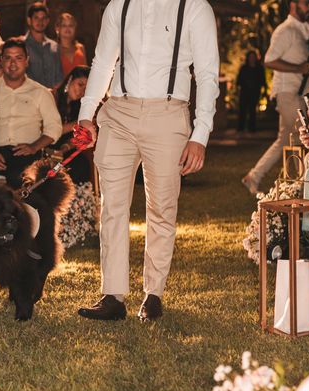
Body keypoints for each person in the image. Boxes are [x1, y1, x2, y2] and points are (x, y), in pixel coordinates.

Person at [77, 0, 219, 321]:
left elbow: (208, 75)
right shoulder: (120, 5)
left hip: (168, 114)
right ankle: (113, 295)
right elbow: (103, 61)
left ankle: (153, 293)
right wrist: (87, 114)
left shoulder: (195, 7)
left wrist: (200, 135)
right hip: (118, 112)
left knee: (162, 208)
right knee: (111, 206)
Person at [241, 0, 309, 194]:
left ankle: (254, 177)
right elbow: (269, 60)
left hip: (303, 94)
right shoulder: (285, 30)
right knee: (306, 137)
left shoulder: (306, 30)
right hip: (288, 93)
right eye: (307, 3)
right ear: (293, 4)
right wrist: (299, 69)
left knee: (285, 140)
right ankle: (298, 187)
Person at [0, 38, 62, 188]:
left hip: (28, 153)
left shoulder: (41, 93)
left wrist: (34, 147)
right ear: (1, 60)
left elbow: (54, 128)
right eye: (8, 58)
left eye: (18, 58)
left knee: (21, 182)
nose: (13, 64)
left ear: (27, 61)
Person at [52, 65, 91, 184]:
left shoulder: (78, 106)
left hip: (63, 149)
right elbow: (49, 131)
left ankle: (78, 200)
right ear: (70, 79)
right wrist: (76, 124)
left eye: (86, 89)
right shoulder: (52, 97)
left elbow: (77, 138)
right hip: (45, 146)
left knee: (81, 164)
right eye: (80, 84)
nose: (82, 91)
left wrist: (66, 147)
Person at [24, 2, 63, 89]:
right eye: (36, 18)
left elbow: (59, 75)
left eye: (43, 18)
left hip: (53, 97)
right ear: (29, 20)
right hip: (31, 96)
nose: (40, 21)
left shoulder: (54, 46)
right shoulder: (22, 45)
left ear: (48, 20)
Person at [236, 50, 266, 133]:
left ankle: (252, 128)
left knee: (252, 110)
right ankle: (241, 128)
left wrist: (263, 90)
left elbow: (262, 80)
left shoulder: (259, 68)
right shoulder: (244, 68)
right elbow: (239, 79)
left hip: (255, 92)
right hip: (244, 91)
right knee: (243, 109)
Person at [55, 13, 87, 78]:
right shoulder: (54, 49)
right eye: (64, 25)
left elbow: (86, 72)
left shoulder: (81, 48)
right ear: (58, 29)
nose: (68, 28)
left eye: (71, 25)